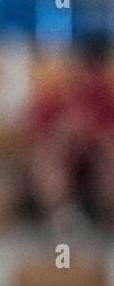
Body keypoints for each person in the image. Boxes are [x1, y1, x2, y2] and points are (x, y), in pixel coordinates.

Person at [23, 34, 114, 231]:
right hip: (65, 166)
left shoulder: (109, 100)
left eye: (94, 66)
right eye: (85, 65)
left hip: (97, 169)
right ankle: (60, 220)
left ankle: (109, 223)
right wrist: (64, 136)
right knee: (49, 153)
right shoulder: (57, 98)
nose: (88, 74)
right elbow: (35, 138)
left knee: (109, 154)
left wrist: (92, 139)